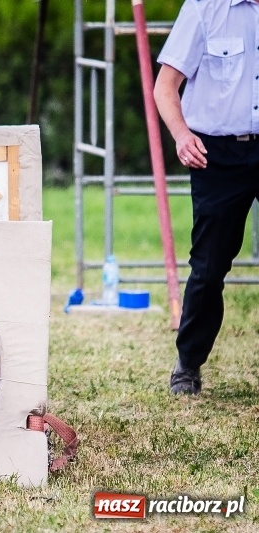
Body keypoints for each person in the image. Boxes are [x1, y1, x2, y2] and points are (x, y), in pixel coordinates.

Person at [154, 0, 259, 395]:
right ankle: (188, 364)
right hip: (217, 156)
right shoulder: (203, 9)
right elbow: (165, 86)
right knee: (209, 269)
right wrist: (182, 135)